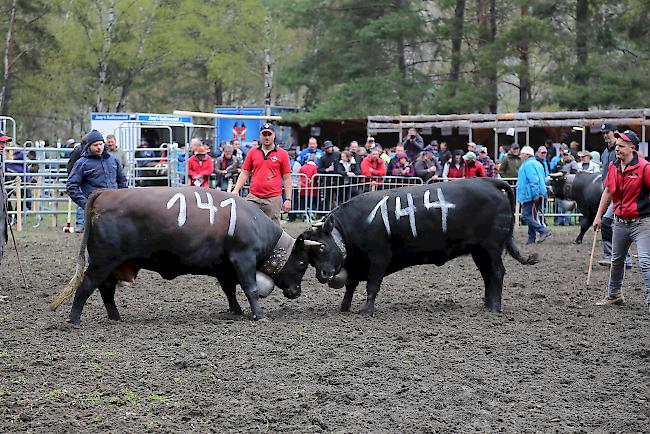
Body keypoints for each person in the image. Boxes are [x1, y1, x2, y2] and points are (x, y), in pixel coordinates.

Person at [592, 130, 650, 308]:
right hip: (620, 222)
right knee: (616, 260)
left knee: (645, 261)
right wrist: (598, 216)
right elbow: (608, 191)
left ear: (632, 148)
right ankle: (614, 295)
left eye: (621, 146)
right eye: (616, 146)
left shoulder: (644, 168)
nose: (617, 149)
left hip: (642, 221)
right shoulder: (613, 167)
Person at [66, 130, 127, 233]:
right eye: (95, 145)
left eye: (101, 144)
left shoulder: (114, 160)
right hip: (95, 207)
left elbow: (122, 181)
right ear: (89, 146)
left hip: (114, 205)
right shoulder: (82, 163)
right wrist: (86, 204)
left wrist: (123, 199)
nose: (99, 147)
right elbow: (71, 186)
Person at [232, 123, 292, 225]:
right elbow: (244, 173)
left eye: (269, 134)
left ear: (274, 135)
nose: (267, 137)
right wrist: (236, 189)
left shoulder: (282, 154)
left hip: (273, 198)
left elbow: (287, 178)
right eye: (264, 134)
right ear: (261, 135)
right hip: (254, 197)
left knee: (273, 230)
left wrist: (288, 199)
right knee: (248, 225)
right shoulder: (252, 152)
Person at [597, 123, 632, 268]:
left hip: (620, 194)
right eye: (603, 133)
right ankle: (612, 255)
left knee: (616, 225)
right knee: (607, 223)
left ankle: (625, 258)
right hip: (608, 192)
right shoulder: (605, 153)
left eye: (607, 132)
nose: (605, 135)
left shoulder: (622, 152)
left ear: (615, 132)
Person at [517, 145, 552, 244]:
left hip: (531, 194)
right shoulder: (537, 163)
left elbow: (533, 180)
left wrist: (535, 194)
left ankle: (543, 230)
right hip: (539, 193)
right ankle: (531, 238)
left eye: (522, 153)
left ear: (527, 154)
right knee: (531, 215)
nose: (520, 155)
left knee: (525, 216)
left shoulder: (528, 165)